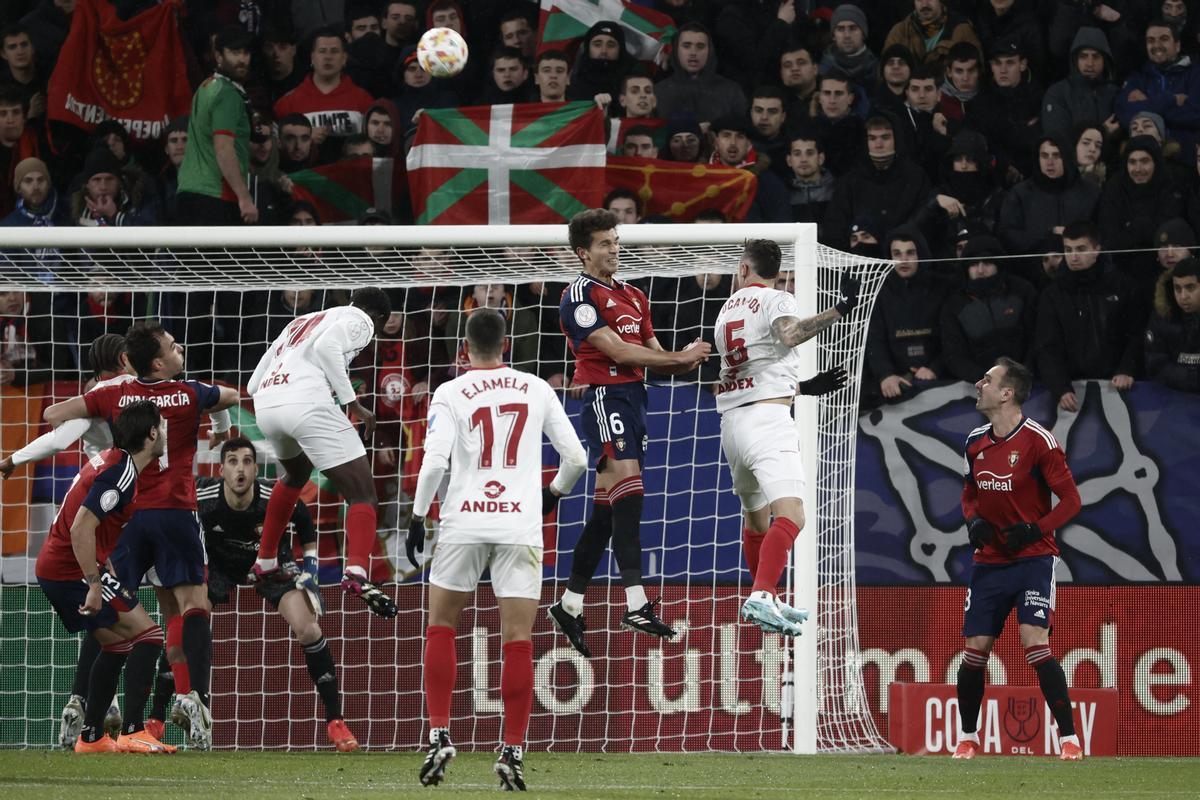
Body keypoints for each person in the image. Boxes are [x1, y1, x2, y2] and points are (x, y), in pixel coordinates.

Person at [406, 308, 587, 790]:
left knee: (440, 627)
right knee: (517, 640)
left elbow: (433, 462)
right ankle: (512, 748)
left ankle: (440, 733)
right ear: (506, 346)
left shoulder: (450, 392)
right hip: (519, 525)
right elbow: (577, 458)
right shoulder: (536, 388)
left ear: (464, 350)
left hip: (463, 522)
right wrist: (552, 495)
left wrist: (418, 513)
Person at [43, 323, 241, 750]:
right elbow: (232, 396)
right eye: (172, 346)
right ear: (158, 362)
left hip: (128, 520)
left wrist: (100, 427)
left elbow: (54, 415)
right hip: (176, 513)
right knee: (191, 605)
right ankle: (193, 698)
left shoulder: (115, 394)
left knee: (113, 621)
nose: (179, 348)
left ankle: (85, 703)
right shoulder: (188, 392)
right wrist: (220, 425)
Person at [547, 208, 712, 657]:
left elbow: (654, 353)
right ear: (583, 252)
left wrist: (696, 361)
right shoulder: (577, 297)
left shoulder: (636, 296)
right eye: (605, 243)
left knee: (606, 513)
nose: (614, 249)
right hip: (605, 397)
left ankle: (569, 603)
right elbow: (618, 350)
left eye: (616, 241)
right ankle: (636, 603)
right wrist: (680, 357)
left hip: (636, 402)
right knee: (632, 493)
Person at [141, 437, 358, 751]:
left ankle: (335, 722)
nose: (239, 469)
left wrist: (310, 568)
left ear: (256, 468)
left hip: (269, 561)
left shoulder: (274, 495)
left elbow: (305, 523)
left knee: (309, 628)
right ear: (222, 469)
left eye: (246, 461)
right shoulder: (203, 494)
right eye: (232, 461)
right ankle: (156, 719)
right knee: (188, 622)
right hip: (217, 565)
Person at [712, 240, 856, 635]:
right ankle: (762, 593)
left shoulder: (726, 310)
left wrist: (803, 387)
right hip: (768, 422)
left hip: (733, 427)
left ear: (743, 269)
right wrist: (841, 308)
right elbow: (790, 335)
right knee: (792, 515)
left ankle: (767, 595)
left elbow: (753, 371)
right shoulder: (777, 299)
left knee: (757, 522)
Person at [956, 357, 1084, 761]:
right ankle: (968, 738)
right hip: (989, 561)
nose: (980, 383)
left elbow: (1072, 501)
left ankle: (1069, 740)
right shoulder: (975, 441)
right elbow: (970, 494)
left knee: (1034, 643)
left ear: (1006, 393)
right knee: (974, 650)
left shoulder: (1039, 441)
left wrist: (1036, 529)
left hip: (1033, 558)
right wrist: (973, 521)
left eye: (987, 379)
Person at [247, 288, 398, 619]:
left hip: (267, 406)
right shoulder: (360, 320)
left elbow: (252, 383)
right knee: (362, 495)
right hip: (307, 403)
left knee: (297, 474)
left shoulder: (301, 320)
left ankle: (266, 559)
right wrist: (352, 403)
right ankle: (357, 571)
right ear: (379, 317)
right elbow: (328, 347)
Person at [35, 400, 175, 754]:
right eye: (163, 424)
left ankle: (92, 737)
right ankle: (132, 730)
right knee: (150, 635)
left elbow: (85, 520)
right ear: (153, 433)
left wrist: (104, 558)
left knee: (117, 643)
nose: (167, 431)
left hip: (57, 567)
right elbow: (82, 526)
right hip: (69, 571)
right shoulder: (121, 472)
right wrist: (94, 583)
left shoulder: (114, 462)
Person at [1035, 221, 1145, 412]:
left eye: (1081, 249)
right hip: (1073, 391)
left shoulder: (1124, 287)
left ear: (1096, 250)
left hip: (1119, 388)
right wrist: (1060, 387)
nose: (1074, 256)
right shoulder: (1053, 294)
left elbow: (1136, 333)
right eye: (1068, 249)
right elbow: (1047, 346)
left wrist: (1127, 369)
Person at [176, 24, 259, 226]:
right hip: (215, 197)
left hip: (188, 192)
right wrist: (245, 197)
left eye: (246, 52)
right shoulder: (228, 94)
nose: (242, 59)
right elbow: (223, 149)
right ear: (219, 56)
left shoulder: (206, 87)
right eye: (234, 52)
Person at [940, 236, 1039, 382]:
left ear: (998, 264)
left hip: (1027, 383)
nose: (980, 270)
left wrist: (1024, 373)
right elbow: (954, 355)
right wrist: (986, 379)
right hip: (979, 387)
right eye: (973, 264)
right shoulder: (954, 305)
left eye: (987, 263)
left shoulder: (1022, 291)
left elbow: (1037, 338)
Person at [1040, 28, 1119, 145]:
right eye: (1083, 56)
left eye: (1096, 56)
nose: (1090, 63)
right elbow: (1057, 141)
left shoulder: (1115, 93)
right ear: (1075, 59)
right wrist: (1102, 132)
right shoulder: (1058, 93)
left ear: (1105, 60)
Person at [1145, 255, 1200, 392]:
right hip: (1173, 396)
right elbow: (1156, 364)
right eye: (1178, 288)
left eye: (1190, 287)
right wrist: (1192, 379)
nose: (1183, 296)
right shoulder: (1162, 315)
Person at [883, 0, 982, 67]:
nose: (925, 4)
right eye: (920, 0)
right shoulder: (899, 31)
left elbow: (977, 70)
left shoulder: (962, 30)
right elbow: (884, 69)